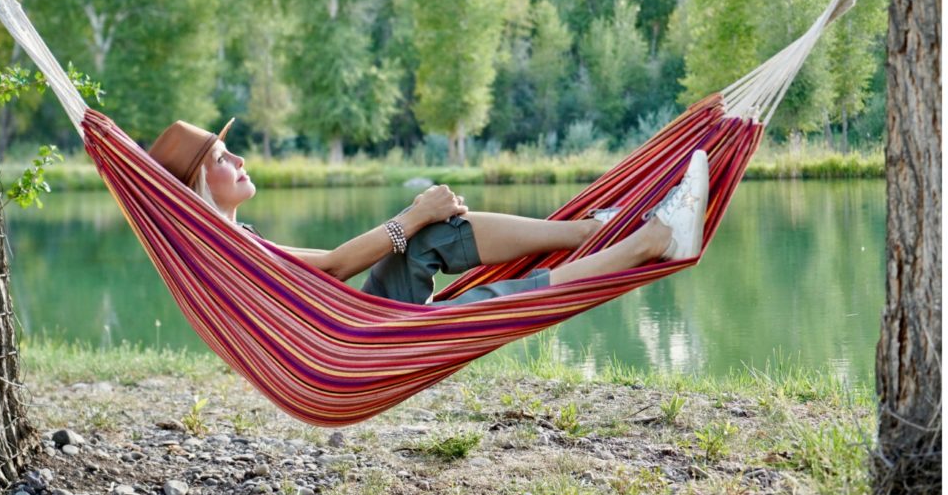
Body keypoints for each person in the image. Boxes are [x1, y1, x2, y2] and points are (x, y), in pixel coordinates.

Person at [148, 119, 709, 307]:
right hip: (349, 350)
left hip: (347, 327)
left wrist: (418, 222)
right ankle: (648, 242)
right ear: (198, 182)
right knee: (471, 309)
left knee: (434, 235)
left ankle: (595, 228)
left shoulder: (229, 238)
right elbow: (331, 270)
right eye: (223, 158)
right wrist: (409, 215)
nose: (240, 159)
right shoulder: (220, 248)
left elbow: (325, 262)